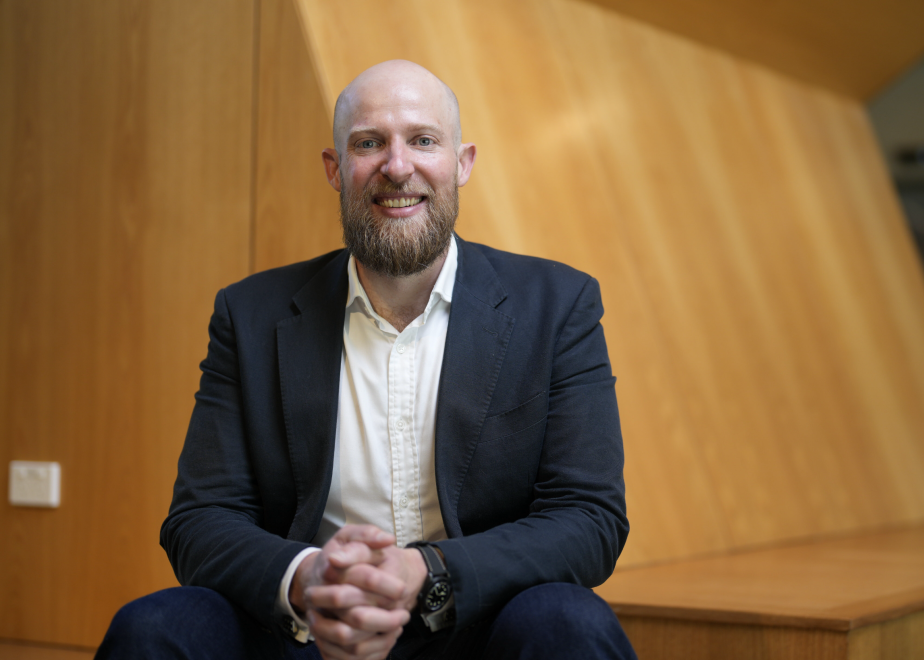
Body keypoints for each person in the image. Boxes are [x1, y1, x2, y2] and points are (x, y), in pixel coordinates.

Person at [96, 60, 635, 660]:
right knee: (152, 630)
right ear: (336, 169)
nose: (397, 166)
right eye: (369, 143)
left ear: (462, 163)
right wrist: (308, 579)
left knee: (570, 626)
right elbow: (199, 519)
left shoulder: (557, 306)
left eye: (423, 140)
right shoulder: (249, 315)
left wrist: (427, 573)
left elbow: (590, 519)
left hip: (476, 627)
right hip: (306, 633)